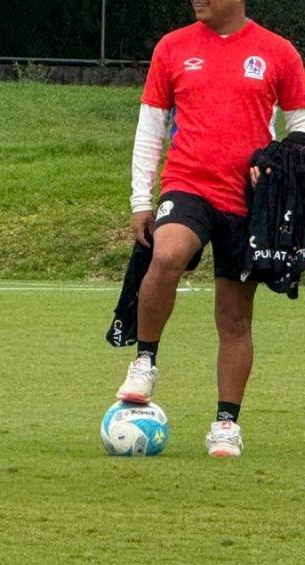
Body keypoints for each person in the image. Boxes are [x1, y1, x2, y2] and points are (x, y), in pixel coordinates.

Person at [116, 0, 305, 457]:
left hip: (247, 202)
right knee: (166, 255)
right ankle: (145, 360)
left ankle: (226, 425)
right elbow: (150, 127)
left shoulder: (278, 52)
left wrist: (279, 163)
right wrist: (142, 200)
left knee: (235, 318)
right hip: (188, 184)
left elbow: (300, 126)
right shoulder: (173, 47)